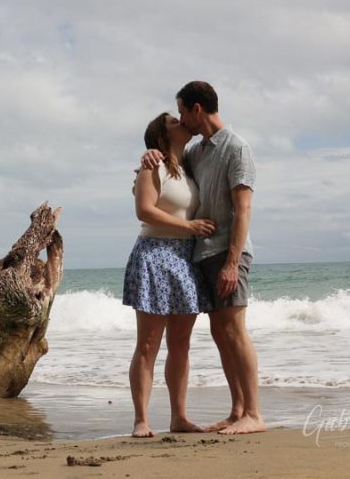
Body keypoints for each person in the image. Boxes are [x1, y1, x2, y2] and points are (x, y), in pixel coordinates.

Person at [143, 81, 266, 435]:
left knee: (234, 329)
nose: (181, 118)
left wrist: (231, 261)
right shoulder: (198, 152)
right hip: (204, 255)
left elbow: (243, 211)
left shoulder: (236, 149)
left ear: (198, 109)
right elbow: (170, 166)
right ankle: (238, 410)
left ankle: (254, 414)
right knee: (220, 332)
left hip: (229, 253)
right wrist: (149, 154)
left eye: (182, 111)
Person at [122, 112, 216, 438]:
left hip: (184, 259)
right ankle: (141, 420)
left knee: (181, 345)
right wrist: (190, 226)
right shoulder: (152, 166)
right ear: (161, 135)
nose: (181, 121)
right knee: (148, 344)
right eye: (173, 121)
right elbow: (145, 211)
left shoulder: (187, 166)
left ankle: (179, 417)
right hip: (154, 255)